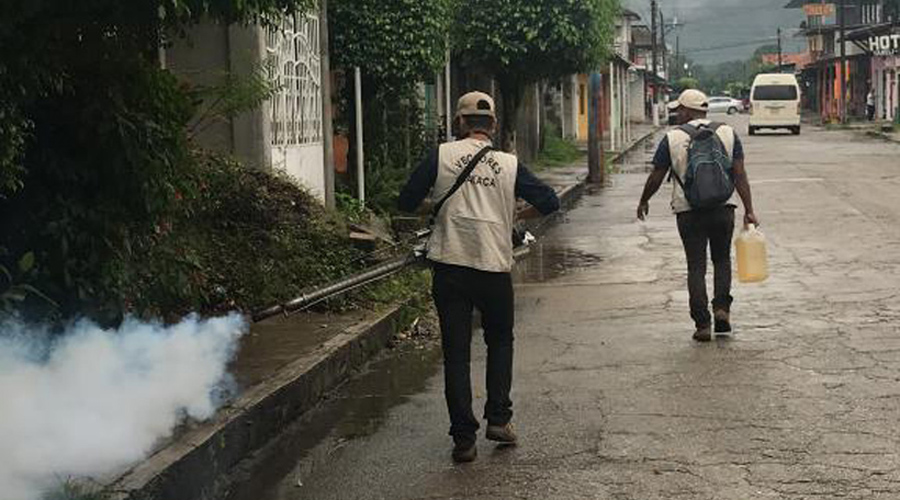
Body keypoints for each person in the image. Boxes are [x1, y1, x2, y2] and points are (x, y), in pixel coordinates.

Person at [398, 91, 560, 463]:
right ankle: (499, 421)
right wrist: (516, 217)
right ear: (493, 126)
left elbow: (405, 201)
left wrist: (435, 207)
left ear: (459, 123)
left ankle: (463, 439)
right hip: (494, 266)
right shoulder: (509, 164)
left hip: (450, 266)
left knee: (456, 353)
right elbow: (551, 201)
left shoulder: (440, 156)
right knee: (500, 343)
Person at [636, 89, 759, 342]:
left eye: (679, 109)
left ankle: (703, 324)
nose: (676, 113)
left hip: (688, 212)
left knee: (696, 266)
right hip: (724, 208)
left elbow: (657, 175)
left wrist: (643, 201)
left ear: (688, 110)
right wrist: (749, 209)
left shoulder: (672, 138)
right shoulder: (727, 132)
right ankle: (722, 310)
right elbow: (739, 174)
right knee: (722, 261)